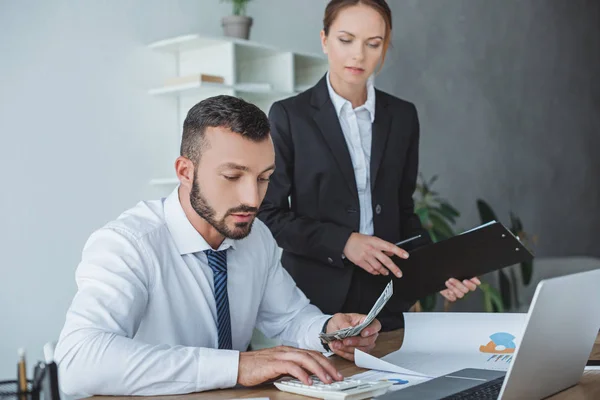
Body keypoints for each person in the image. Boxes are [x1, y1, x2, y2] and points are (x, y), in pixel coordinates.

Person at [54, 95, 381, 397]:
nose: (252, 199)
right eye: (232, 176)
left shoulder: (257, 237)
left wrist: (329, 331)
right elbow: (77, 360)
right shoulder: (128, 245)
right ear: (185, 171)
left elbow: (289, 318)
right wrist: (238, 366)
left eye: (263, 178)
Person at [258, 0, 480, 332]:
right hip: (313, 303)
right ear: (324, 40)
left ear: (386, 47)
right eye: (346, 40)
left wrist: (438, 272)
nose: (358, 55)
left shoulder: (403, 116)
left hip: (388, 300)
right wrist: (344, 242)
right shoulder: (290, 116)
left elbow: (403, 212)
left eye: (373, 44)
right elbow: (270, 214)